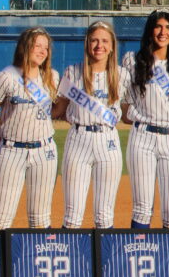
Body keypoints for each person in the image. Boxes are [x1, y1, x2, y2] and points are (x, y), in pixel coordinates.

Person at [121, 10, 169, 228]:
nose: (163, 32)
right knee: (142, 209)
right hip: (142, 137)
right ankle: (138, 248)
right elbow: (125, 106)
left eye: (168, 27)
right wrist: (140, 116)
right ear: (150, 30)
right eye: (158, 27)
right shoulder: (132, 60)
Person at [0, 27, 59, 230]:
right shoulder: (7, 76)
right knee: (0, 219)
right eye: (37, 46)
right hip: (12, 150)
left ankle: (39, 252)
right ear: (24, 47)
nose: (42, 51)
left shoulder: (52, 77)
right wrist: (2, 145)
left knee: (40, 220)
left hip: (44, 152)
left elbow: (57, 111)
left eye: (46, 47)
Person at [52, 21, 129, 229]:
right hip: (78, 139)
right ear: (87, 43)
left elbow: (128, 112)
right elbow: (58, 110)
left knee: (104, 216)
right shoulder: (72, 72)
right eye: (94, 40)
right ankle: (71, 251)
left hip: (108, 141)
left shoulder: (122, 75)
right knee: (72, 215)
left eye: (104, 41)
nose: (99, 45)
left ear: (112, 46)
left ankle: (104, 252)